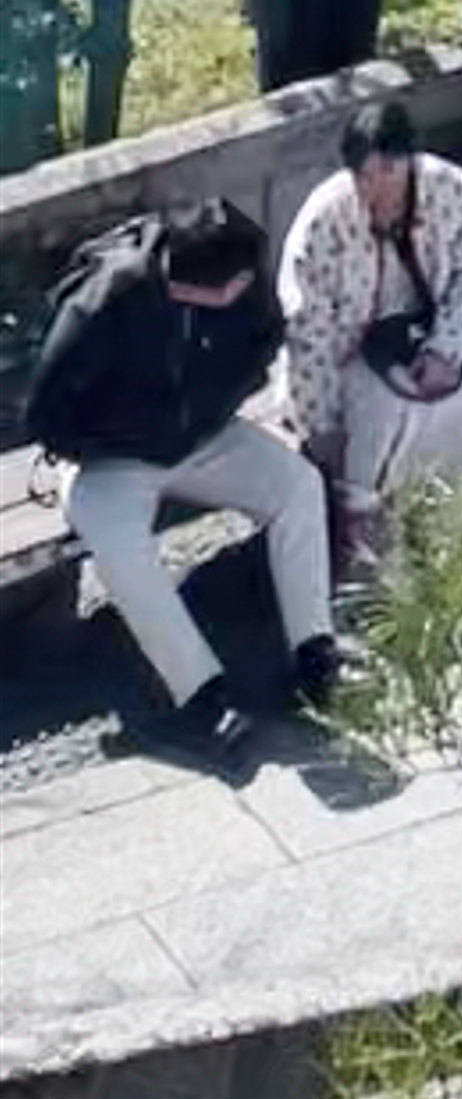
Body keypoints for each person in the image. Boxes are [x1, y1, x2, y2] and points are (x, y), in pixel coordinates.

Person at [23, 195, 340, 762]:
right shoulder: (108, 297)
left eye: (234, 289)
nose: (225, 300)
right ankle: (201, 693)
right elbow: (46, 412)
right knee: (117, 542)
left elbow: (262, 344)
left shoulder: (242, 260)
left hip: (205, 433)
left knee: (297, 486)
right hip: (111, 455)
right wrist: (122, 442)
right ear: (171, 273)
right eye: (206, 293)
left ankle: (313, 653)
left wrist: (210, 407)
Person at [278, 84, 462, 580]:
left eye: (388, 171)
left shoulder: (449, 190)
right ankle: (367, 549)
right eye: (363, 174)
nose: (375, 186)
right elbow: (307, 333)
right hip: (348, 355)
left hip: (428, 332)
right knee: (380, 419)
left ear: (410, 162)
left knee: (454, 404)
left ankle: (454, 534)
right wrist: (322, 426)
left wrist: (449, 347)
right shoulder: (325, 223)